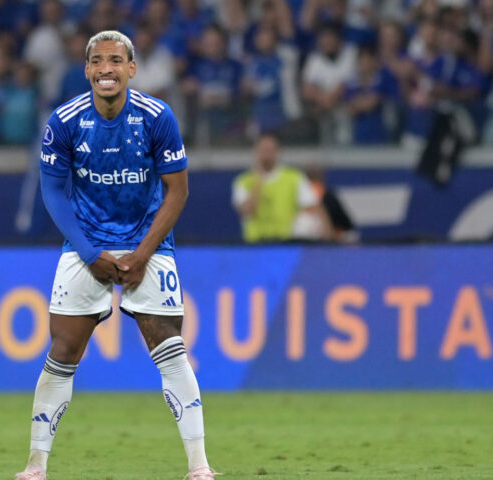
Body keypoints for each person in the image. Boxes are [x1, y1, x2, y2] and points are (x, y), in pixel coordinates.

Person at [16, 30, 215, 480]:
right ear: (87, 70)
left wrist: (143, 255)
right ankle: (35, 465)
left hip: (149, 244)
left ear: (131, 69)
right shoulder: (64, 121)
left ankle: (200, 467)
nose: (106, 68)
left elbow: (177, 190)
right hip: (86, 245)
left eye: (116, 60)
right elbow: (53, 191)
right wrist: (89, 252)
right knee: (63, 351)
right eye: (98, 61)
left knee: (170, 350)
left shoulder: (157, 116)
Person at [231, 134, 324, 243]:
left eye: (270, 150)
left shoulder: (294, 177)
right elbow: (246, 211)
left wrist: (325, 237)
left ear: (277, 152)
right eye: (263, 150)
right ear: (255, 152)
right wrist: (258, 181)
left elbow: (313, 207)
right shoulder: (243, 181)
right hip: (255, 243)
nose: (267, 154)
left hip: (286, 242)